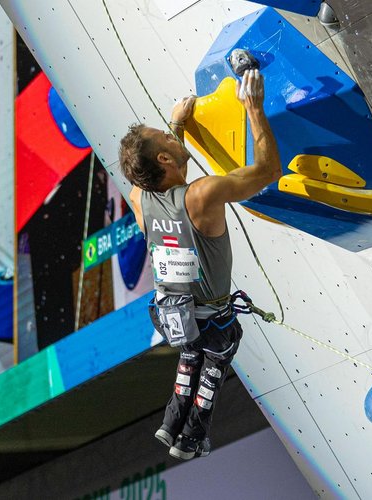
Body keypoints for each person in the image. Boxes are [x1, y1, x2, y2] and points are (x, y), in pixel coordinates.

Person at [118, 69, 282, 460]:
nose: (169, 133)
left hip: (171, 313)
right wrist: (254, 109)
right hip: (208, 320)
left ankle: (170, 424)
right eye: (164, 135)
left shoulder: (139, 197)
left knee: (192, 353)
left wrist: (176, 124)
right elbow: (268, 170)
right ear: (163, 157)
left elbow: (157, 171)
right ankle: (190, 437)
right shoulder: (203, 195)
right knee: (215, 360)